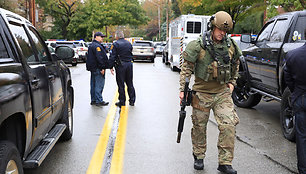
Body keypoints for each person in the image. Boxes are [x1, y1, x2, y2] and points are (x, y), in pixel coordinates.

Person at [179, 11, 241, 174]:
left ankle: (225, 162)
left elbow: (236, 65)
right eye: (219, 29)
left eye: (224, 31)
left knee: (228, 125)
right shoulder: (197, 45)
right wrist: (182, 90)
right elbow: (186, 69)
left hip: (222, 93)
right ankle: (199, 156)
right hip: (201, 93)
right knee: (199, 126)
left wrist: (232, 82)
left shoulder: (231, 46)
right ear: (212, 27)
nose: (222, 33)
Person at [284, 42, 306, 174]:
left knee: (302, 136)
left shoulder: (293, 55)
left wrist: (295, 91)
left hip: (300, 96)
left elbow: (287, 77)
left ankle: (303, 169)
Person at [108, 31, 136, 107]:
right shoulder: (128, 43)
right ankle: (132, 100)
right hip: (129, 64)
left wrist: (110, 66)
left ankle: (122, 101)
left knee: (121, 84)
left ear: (117, 36)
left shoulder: (115, 44)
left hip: (121, 65)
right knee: (130, 83)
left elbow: (112, 56)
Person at [86, 32, 110, 106]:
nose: (102, 38)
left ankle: (93, 99)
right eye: (101, 37)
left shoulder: (92, 45)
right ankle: (99, 100)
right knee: (99, 84)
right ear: (96, 37)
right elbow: (99, 58)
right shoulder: (97, 46)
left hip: (93, 68)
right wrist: (102, 67)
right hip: (98, 68)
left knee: (93, 84)